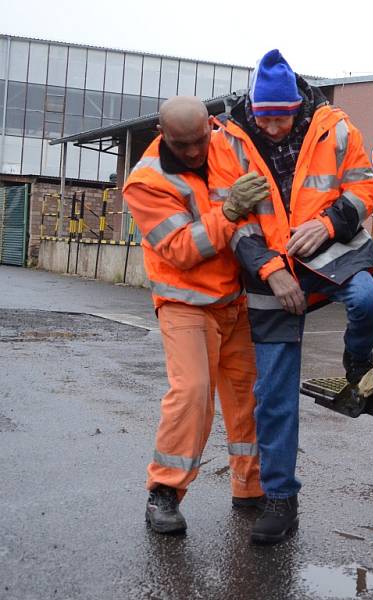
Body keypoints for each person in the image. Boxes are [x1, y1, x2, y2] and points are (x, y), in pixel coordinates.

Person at [212, 50, 373, 545]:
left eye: (282, 115)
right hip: (269, 271)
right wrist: (271, 270)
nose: (273, 127)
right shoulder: (228, 141)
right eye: (265, 116)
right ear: (251, 106)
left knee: (371, 300)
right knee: (273, 397)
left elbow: (364, 186)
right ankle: (281, 501)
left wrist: (329, 223)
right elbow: (236, 222)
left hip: (327, 252)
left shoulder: (337, 129)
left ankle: (358, 363)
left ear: (299, 103)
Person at [123, 96, 271, 534]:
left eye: (198, 140)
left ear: (211, 125)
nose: (192, 152)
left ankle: (250, 489)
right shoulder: (146, 183)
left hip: (233, 301)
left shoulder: (226, 144)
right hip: (185, 303)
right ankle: (163, 494)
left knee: (249, 399)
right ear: (162, 135)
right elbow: (183, 250)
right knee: (192, 394)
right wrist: (228, 213)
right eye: (181, 144)